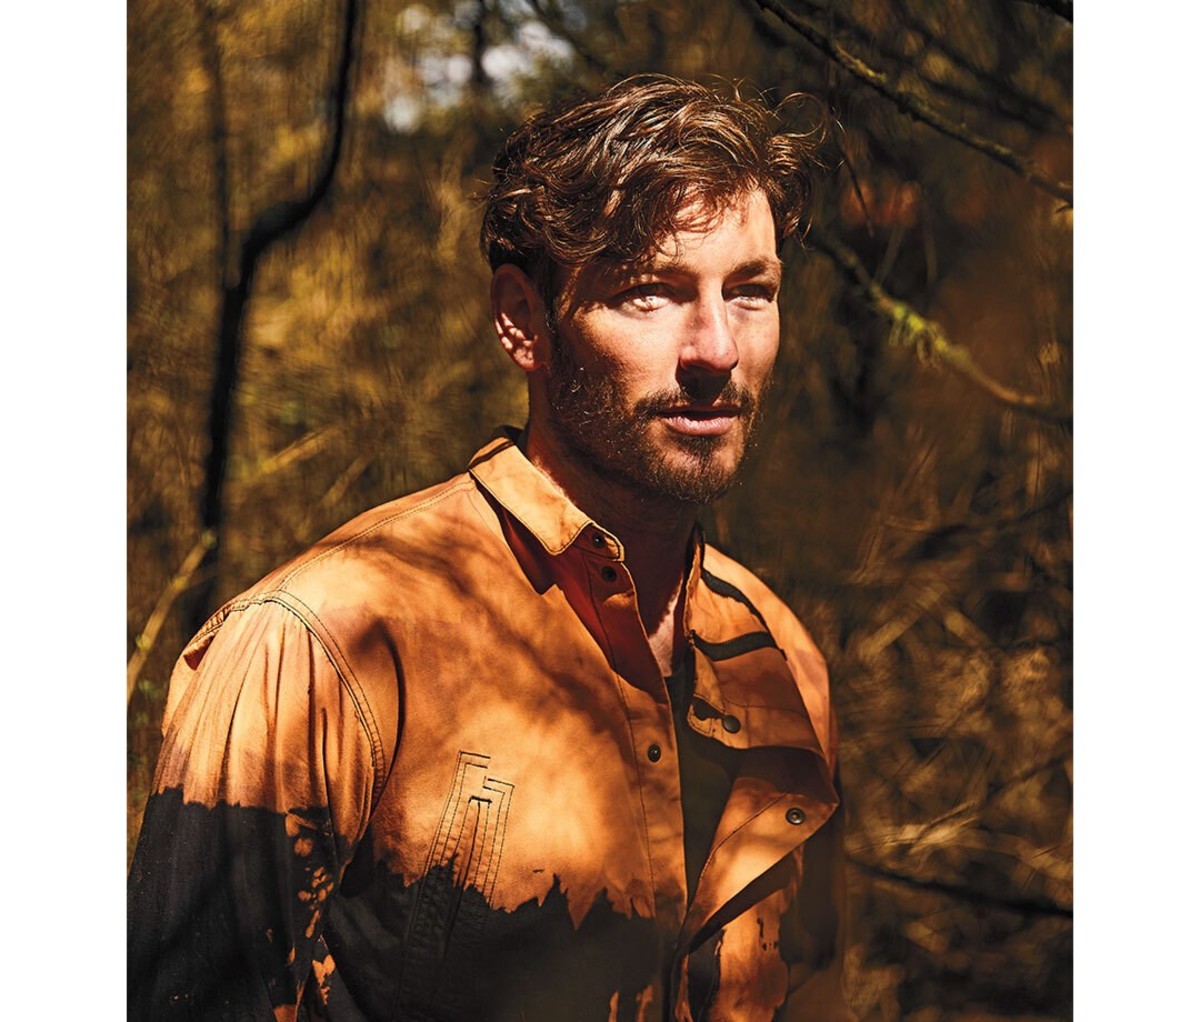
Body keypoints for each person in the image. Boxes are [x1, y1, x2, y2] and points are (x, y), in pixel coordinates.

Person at [128, 74, 853, 1022]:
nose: (716, 347)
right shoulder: (324, 642)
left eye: (750, 292)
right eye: (651, 294)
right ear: (524, 322)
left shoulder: (782, 662)